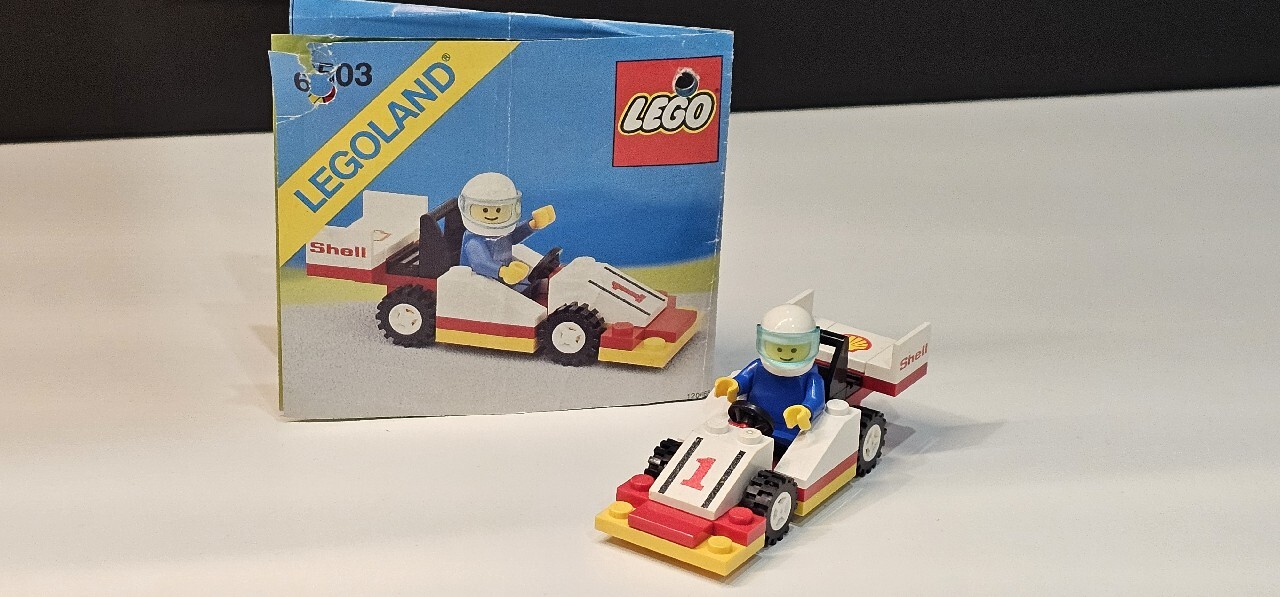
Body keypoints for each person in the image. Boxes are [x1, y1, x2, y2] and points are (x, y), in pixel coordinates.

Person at [713, 301, 825, 449]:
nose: (786, 355)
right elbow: (744, 379)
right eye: (778, 349)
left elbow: (816, 400)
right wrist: (734, 384)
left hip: (789, 431)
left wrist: (805, 410)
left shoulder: (811, 378)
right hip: (750, 421)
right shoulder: (758, 367)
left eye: (794, 350)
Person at [457, 172, 555, 292]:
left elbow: (513, 237)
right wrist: (503, 272)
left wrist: (533, 224)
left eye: (499, 210)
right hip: (480, 281)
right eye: (485, 210)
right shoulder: (474, 242)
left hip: (502, 276)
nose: (492, 215)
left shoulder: (502, 233)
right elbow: (481, 263)